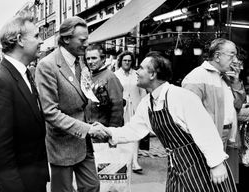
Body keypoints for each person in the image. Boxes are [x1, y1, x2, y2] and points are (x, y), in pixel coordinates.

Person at [103, 51, 237, 191]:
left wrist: (216, 164)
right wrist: (109, 133)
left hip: (201, 165)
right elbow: (133, 130)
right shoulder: (147, 103)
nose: (136, 71)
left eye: (141, 68)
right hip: (176, 166)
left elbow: (205, 130)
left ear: (153, 74)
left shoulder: (180, 97)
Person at [35, 16, 107, 192]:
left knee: (92, 186)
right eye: (82, 40)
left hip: (83, 143)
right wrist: (87, 129)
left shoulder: (81, 61)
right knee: (63, 190)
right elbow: (50, 112)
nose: (87, 44)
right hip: (62, 143)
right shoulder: (47, 66)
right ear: (66, 39)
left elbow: (82, 96)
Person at [0, 14, 49, 192]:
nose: (41, 41)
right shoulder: (0, 81)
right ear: (20, 40)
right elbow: (0, 149)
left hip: (33, 179)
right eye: (36, 36)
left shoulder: (24, 74)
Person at [182, 38, 246, 183]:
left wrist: (236, 82)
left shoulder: (225, 77)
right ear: (217, 56)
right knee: (206, 180)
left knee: (224, 181)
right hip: (210, 140)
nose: (235, 60)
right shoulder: (196, 77)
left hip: (228, 137)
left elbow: (238, 105)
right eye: (232, 55)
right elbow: (189, 119)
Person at [114, 51, 146, 172]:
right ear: (121, 61)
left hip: (135, 107)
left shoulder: (137, 74)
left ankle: (135, 162)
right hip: (121, 108)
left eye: (129, 60)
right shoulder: (116, 75)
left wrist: (143, 106)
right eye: (125, 60)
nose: (127, 62)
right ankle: (124, 160)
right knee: (123, 133)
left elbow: (143, 90)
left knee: (135, 134)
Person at [85, 44, 124, 133]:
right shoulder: (88, 77)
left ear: (103, 59)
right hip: (90, 130)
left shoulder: (110, 77)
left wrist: (112, 132)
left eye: (94, 58)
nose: (90, 62)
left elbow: (117, 107)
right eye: (88, 58)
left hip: (103, 131)